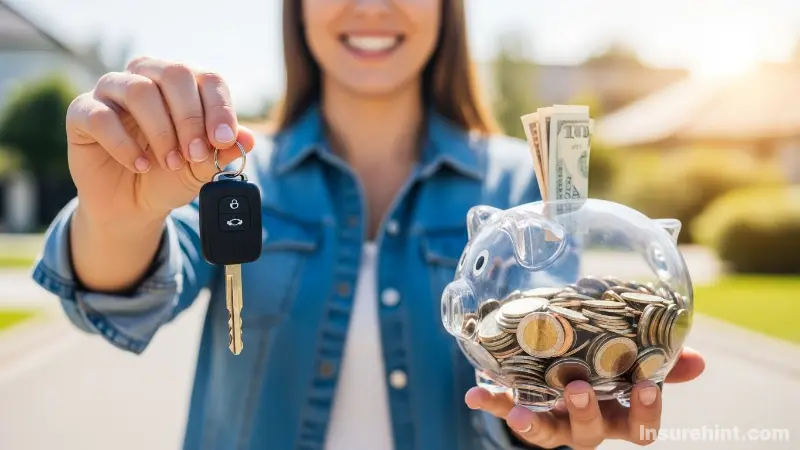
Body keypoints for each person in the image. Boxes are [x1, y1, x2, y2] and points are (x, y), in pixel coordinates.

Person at [32, 0, 705, 449]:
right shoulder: (227, 170)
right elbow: (121, 294)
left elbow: (539, 375)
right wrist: (117, 217)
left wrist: (543, 428)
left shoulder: (521, 192)